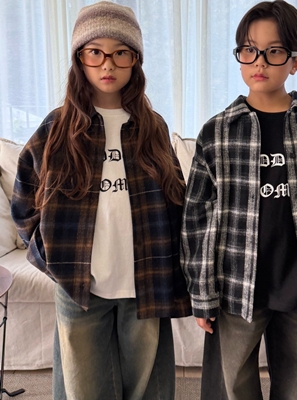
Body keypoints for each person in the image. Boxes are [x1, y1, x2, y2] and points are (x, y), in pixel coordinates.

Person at [180, 1, 297, 399]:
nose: (260, 62)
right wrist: (201, 292)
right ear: (239, 56)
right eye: (249, 50)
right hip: (236, 284)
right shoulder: (218, 132)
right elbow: (197, 217)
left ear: (295, 60)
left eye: (274, 51)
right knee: (230, 387)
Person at [11, 2, 191, 399]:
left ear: (135, 60)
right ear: (80, 58)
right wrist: (50, 256)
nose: (107, 63)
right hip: (79, 288)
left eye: (120, 52)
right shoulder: (57, 128)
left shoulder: (152, 127)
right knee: (83, 388)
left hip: (144, 283)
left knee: (146, 386)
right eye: (95, 52)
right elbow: (24, 200)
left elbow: (176, 200)